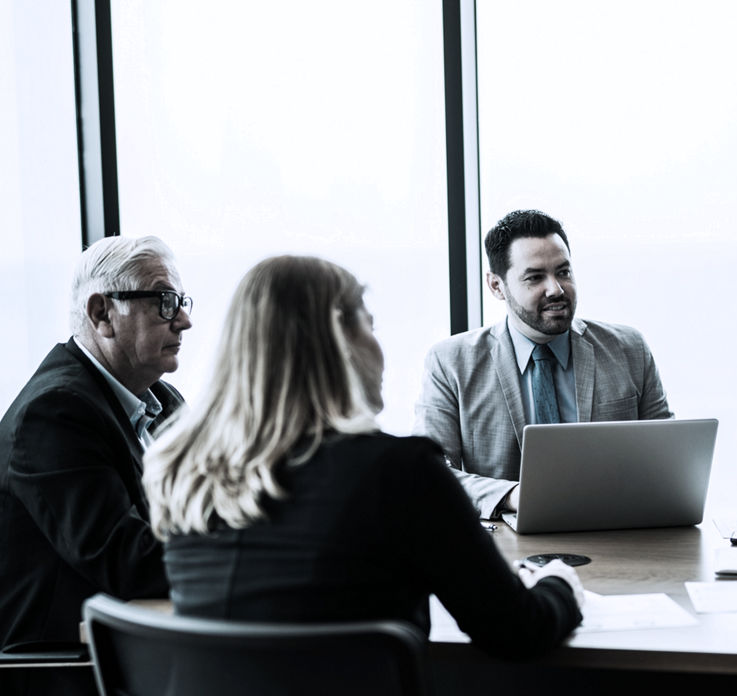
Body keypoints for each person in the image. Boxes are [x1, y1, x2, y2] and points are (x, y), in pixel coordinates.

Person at [144, 256, 582, 660]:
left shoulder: (183, 469)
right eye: (369, 325)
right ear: (343, 343)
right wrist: (559, 583)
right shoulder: (399, 473)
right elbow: (518, 631)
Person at [0, 235, 192, 696]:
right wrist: (245, 556)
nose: (184, 319)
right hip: (58, 680)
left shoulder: (164, 405)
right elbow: (127, 563)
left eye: (180, 302)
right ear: (102, 313)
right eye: (164, 302)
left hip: (130, 658)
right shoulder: (54, 413)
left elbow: (211, 506)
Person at [414, 209, 672, 518]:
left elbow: (669, 459)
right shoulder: (451, 361)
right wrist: (512, 495)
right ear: (496, 286)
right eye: (535, 277)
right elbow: (429, 475)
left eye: (563, 272)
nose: (556, 289)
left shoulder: (629, 348)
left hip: (617, 534)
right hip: (505, 548)